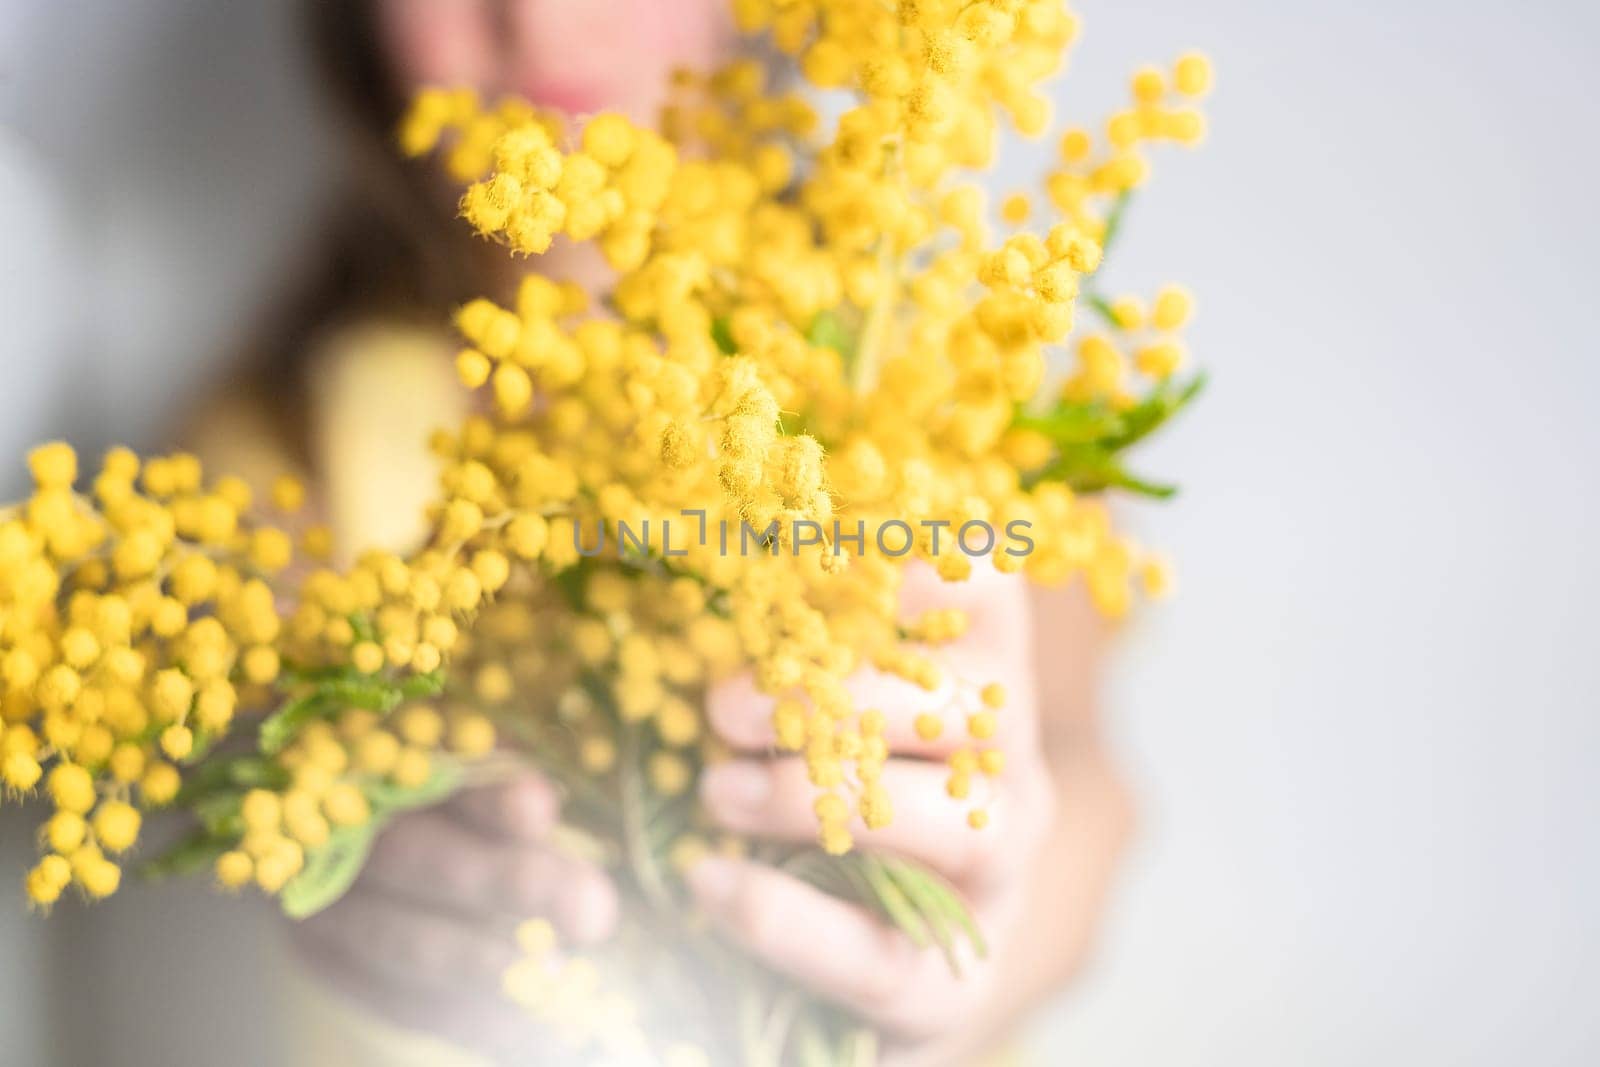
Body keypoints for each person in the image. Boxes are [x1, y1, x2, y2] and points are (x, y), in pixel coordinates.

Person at [190, 2, 1136, 1063]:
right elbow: (250, 736)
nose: (536, 21)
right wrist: (324, 839)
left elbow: (1082, 776)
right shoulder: (285, 433)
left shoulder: (947, 381)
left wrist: (966, 955)